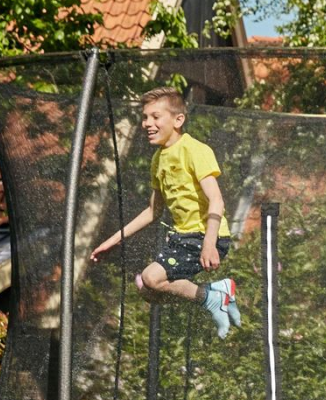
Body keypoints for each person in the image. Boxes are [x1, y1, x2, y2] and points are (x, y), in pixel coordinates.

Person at [89, 85, 241, 338]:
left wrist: (209, 244)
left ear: (178, 120)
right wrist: (112, 241)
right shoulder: (158, 160)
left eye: (155, 117)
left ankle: (212, 298)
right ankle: (215, 292)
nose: (147, 123)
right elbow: (153, 210)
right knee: (147, 290)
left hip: (206, 236)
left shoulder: (195, 150)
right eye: (145, 117)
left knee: (151, 277)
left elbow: (217, 200)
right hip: (181, 238)